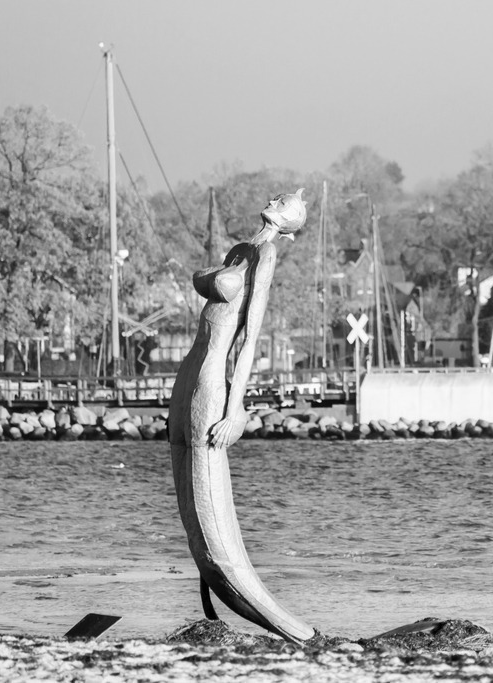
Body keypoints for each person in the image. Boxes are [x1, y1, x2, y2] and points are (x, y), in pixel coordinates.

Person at [168, 190, 314, 643]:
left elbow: (249, 340)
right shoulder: (240, 250)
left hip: (212, 383)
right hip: (187, 378)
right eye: (279, 196)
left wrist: (236, 410)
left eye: (287, 203)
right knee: (190, 505)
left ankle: (295, 631)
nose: (277, 201)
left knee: (210, 504)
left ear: (291, 224)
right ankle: (214, 592)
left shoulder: (266, 254)